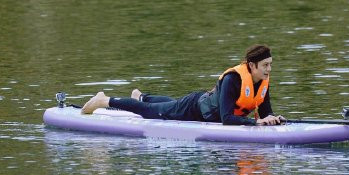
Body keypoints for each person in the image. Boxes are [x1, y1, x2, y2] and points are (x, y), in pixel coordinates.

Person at [81, 44, 285, 126]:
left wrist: (272, 119)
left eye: (270, 65)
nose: (269, 70)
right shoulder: (233, 79)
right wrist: (255, 123)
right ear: (251, 65)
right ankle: (103, 100)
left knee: (168, 105)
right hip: (194, 109)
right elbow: (227, 119)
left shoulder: (262, 82)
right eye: (265, 65)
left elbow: (265, 112)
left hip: (197, 105)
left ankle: (140, 95)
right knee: (150, 112)